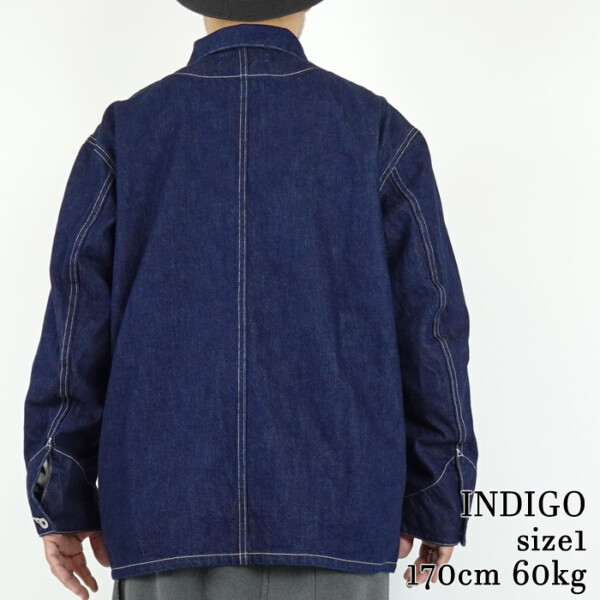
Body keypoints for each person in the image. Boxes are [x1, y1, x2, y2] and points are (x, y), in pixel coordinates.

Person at [22, 1, 479, 599]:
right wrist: (440, 497)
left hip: (166, 512)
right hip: (337, 513)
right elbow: (433, 327)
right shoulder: (376, 130)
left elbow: (74, 329)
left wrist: (59, 499)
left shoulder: (126, 132)